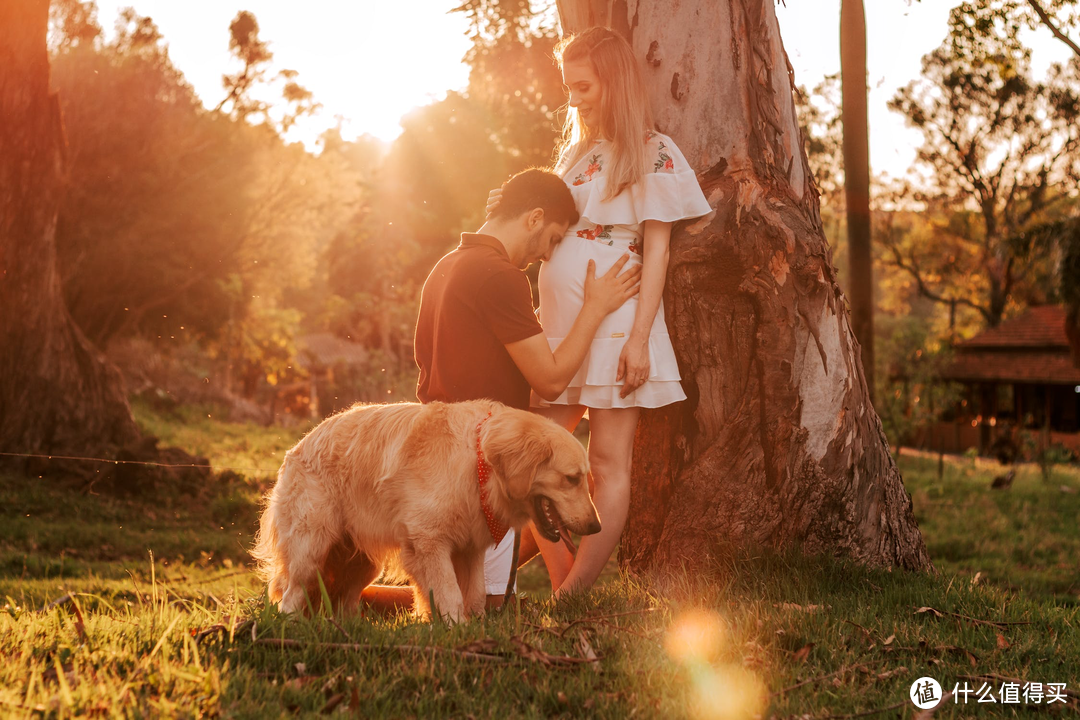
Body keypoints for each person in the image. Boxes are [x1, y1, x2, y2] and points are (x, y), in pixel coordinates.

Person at [487, 27, 712, 596]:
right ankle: (559, 585)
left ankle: (572, 595)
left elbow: (658, 249)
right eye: (570, 87)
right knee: (529, 457)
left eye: (583, 86)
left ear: (614, 84)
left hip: (615, 320)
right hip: (560, 324)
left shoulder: (655, 151)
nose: (574, 99)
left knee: (608, 463)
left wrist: (640, 338)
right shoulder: (578, 153)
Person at [361, 167, 641, 613]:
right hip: (474, 462)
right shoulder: (499, 276)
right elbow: (549, 379)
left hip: (433, 452)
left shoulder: (445, 266)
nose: (545, 255)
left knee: (457, 584)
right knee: (487, 605)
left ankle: (357, 601)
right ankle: (359, 603)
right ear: (533, 218)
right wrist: (596, 308)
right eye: (551, 239)